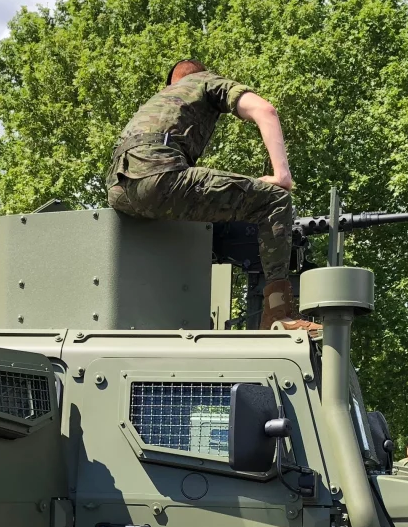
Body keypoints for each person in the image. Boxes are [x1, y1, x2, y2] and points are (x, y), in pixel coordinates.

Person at [107, 59, 313, 331]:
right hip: (158, 175)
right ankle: (277, 314)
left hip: (119, 189)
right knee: (274, 199)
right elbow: (266, 110)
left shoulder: (157, 101)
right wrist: (281, 176)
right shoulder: (204, 81)